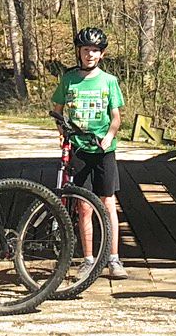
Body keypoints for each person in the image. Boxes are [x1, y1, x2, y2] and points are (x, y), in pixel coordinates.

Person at [50, 26, 129, 279]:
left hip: (104, 149)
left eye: (95, 50)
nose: (90, 54)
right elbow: (57, 109)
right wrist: (62, 132)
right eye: (86, 50)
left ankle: (114, 258)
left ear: (101, 54)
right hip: (79, 148)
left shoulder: (109, 81)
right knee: (83, 206)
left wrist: (109, 137)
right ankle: (87, 258)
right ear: (79, 52)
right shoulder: (69, 80)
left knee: (108, 203)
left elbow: (116, 117)